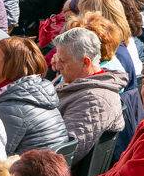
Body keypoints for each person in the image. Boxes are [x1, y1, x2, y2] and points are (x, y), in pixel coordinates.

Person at [52, 27, 127, 162]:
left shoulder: (94, 100)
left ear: (85, 62)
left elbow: (65, 155)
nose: (57, 66)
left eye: (63, 61)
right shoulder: (76, 82)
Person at [0, 37, 68, 154]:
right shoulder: (34, 92)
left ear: (11, 65)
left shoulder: (12, 107)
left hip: (28, 170)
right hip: (43, 168)